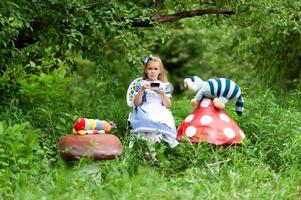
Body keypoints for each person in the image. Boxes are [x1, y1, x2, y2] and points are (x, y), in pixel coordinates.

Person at [129, 55, 179, 150]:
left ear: (160, 71)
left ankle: (153, 150)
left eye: (155, 69)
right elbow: (136, 104)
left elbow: (168, 105)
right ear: (146, 70)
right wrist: (142, 90)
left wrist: (162, 94)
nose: (152, 71)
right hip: (144, 109)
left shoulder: (164, 85)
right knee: (148, 121)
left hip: (160, 110)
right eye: (150, 68)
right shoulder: (141, 84)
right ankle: (152, 152)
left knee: (162, 121)